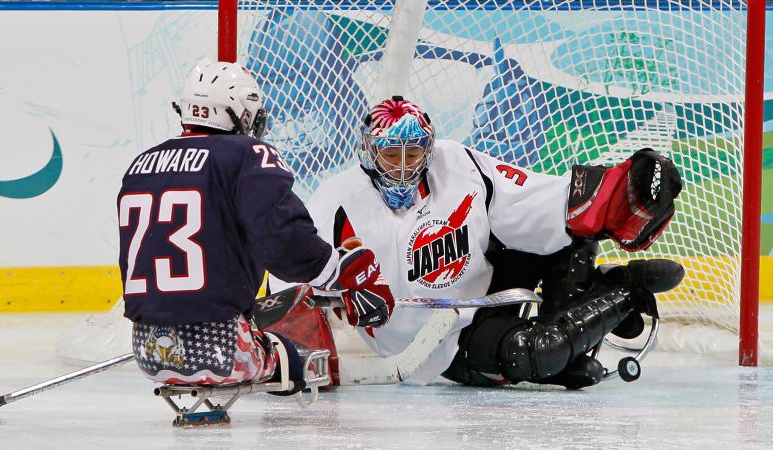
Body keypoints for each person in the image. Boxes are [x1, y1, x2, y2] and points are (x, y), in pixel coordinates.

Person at [272, 96, 683, 389]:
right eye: (389, 155)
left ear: (427, 152)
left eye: (412, 155)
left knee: (574, 232)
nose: (401, 167)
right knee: (539, 351)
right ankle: (624, 291)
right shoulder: (335, 200)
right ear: (368, 153)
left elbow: (545, 204)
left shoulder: (456, 163)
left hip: (486, 281)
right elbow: (287, 279)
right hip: (439, 348)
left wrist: (619, 194)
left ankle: (574, 339)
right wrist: (293, 355)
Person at [116, 61, 394, 388]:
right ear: (243, 114)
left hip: (147, 351)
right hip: (221, 350)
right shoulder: (246, 154)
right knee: (299, 360)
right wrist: (339, 271)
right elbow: (285, 242)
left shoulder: (141, 164)